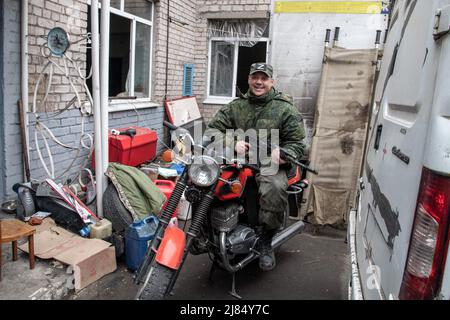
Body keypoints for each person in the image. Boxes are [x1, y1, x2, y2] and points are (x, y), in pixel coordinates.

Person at [205, 62, 305, 271]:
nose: (259, 82)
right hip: (241, 159)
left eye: (264, 78)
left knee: (274, 188)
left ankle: (266, 240)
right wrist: (233, 142)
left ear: (272, 81)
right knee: (207, 182)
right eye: (255, 77)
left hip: (271, 161)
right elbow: (212, 130)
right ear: (249, 79)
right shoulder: (236, 106)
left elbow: (298, 144)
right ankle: (210, 229)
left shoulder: (284, 108)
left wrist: (285, 153)